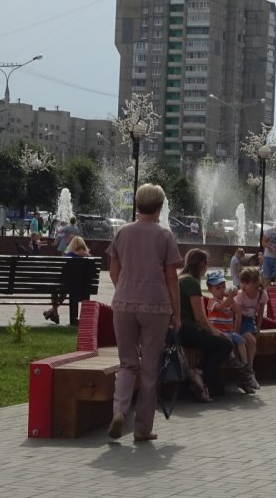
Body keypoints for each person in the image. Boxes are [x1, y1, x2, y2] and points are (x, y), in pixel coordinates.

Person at [106, 184, 182, 442]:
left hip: (123, 304)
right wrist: (177, 313)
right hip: (156, 305)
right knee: (150, 368)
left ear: (137, 205)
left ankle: (119, 411)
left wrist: (125, 291)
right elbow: (171, 278)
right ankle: (142, 429)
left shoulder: (122, 232)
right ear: (160, 207)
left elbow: (114, 271)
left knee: (127, 363)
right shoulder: (165, 235)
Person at [179, 250, 246, 400]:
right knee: (225, 345)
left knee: (217, 342)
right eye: (207, 264)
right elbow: (199, 317)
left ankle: (199, 375)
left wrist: (214, 331)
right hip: (186, 330)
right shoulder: (191, 282)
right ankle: (200, 374)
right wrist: (215, 332)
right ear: (202, 264)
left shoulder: (180, 279)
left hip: (178, 329)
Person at [205, 272, 257, 394]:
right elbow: (220, 308)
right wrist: (229, 299)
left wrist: (232, 298)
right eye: (218, 288)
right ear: (210, 290)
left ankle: (245, 365)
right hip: (218, 332)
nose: (222, 290)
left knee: (241, 340)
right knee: (228, 341)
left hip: (229, 331)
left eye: (223, 287)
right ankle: (232, 358)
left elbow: (238, 311)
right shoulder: (212, 301)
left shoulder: (227, 301)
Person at [43, 236, 89, 325]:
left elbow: (63, 274)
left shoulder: (69, 256)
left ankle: (54, 312)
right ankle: (52, 312)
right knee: (64, 290)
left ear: (72, 245)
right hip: (83, 287)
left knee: (55, 288)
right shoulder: (90, 257)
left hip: (69, 285)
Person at [232, 267, 267, 377]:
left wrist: (258, 328)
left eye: (246, 283)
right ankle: (249, 369)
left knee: (252, 345)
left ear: (256, 283)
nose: (243, 286)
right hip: (238, 319)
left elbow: (260, 313)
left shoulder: (262, 294)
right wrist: (236, 332)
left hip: (250, 321)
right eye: (242, 282)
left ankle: (246, 369)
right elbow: (237, 315)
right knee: (251, 341)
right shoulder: (241, 295)